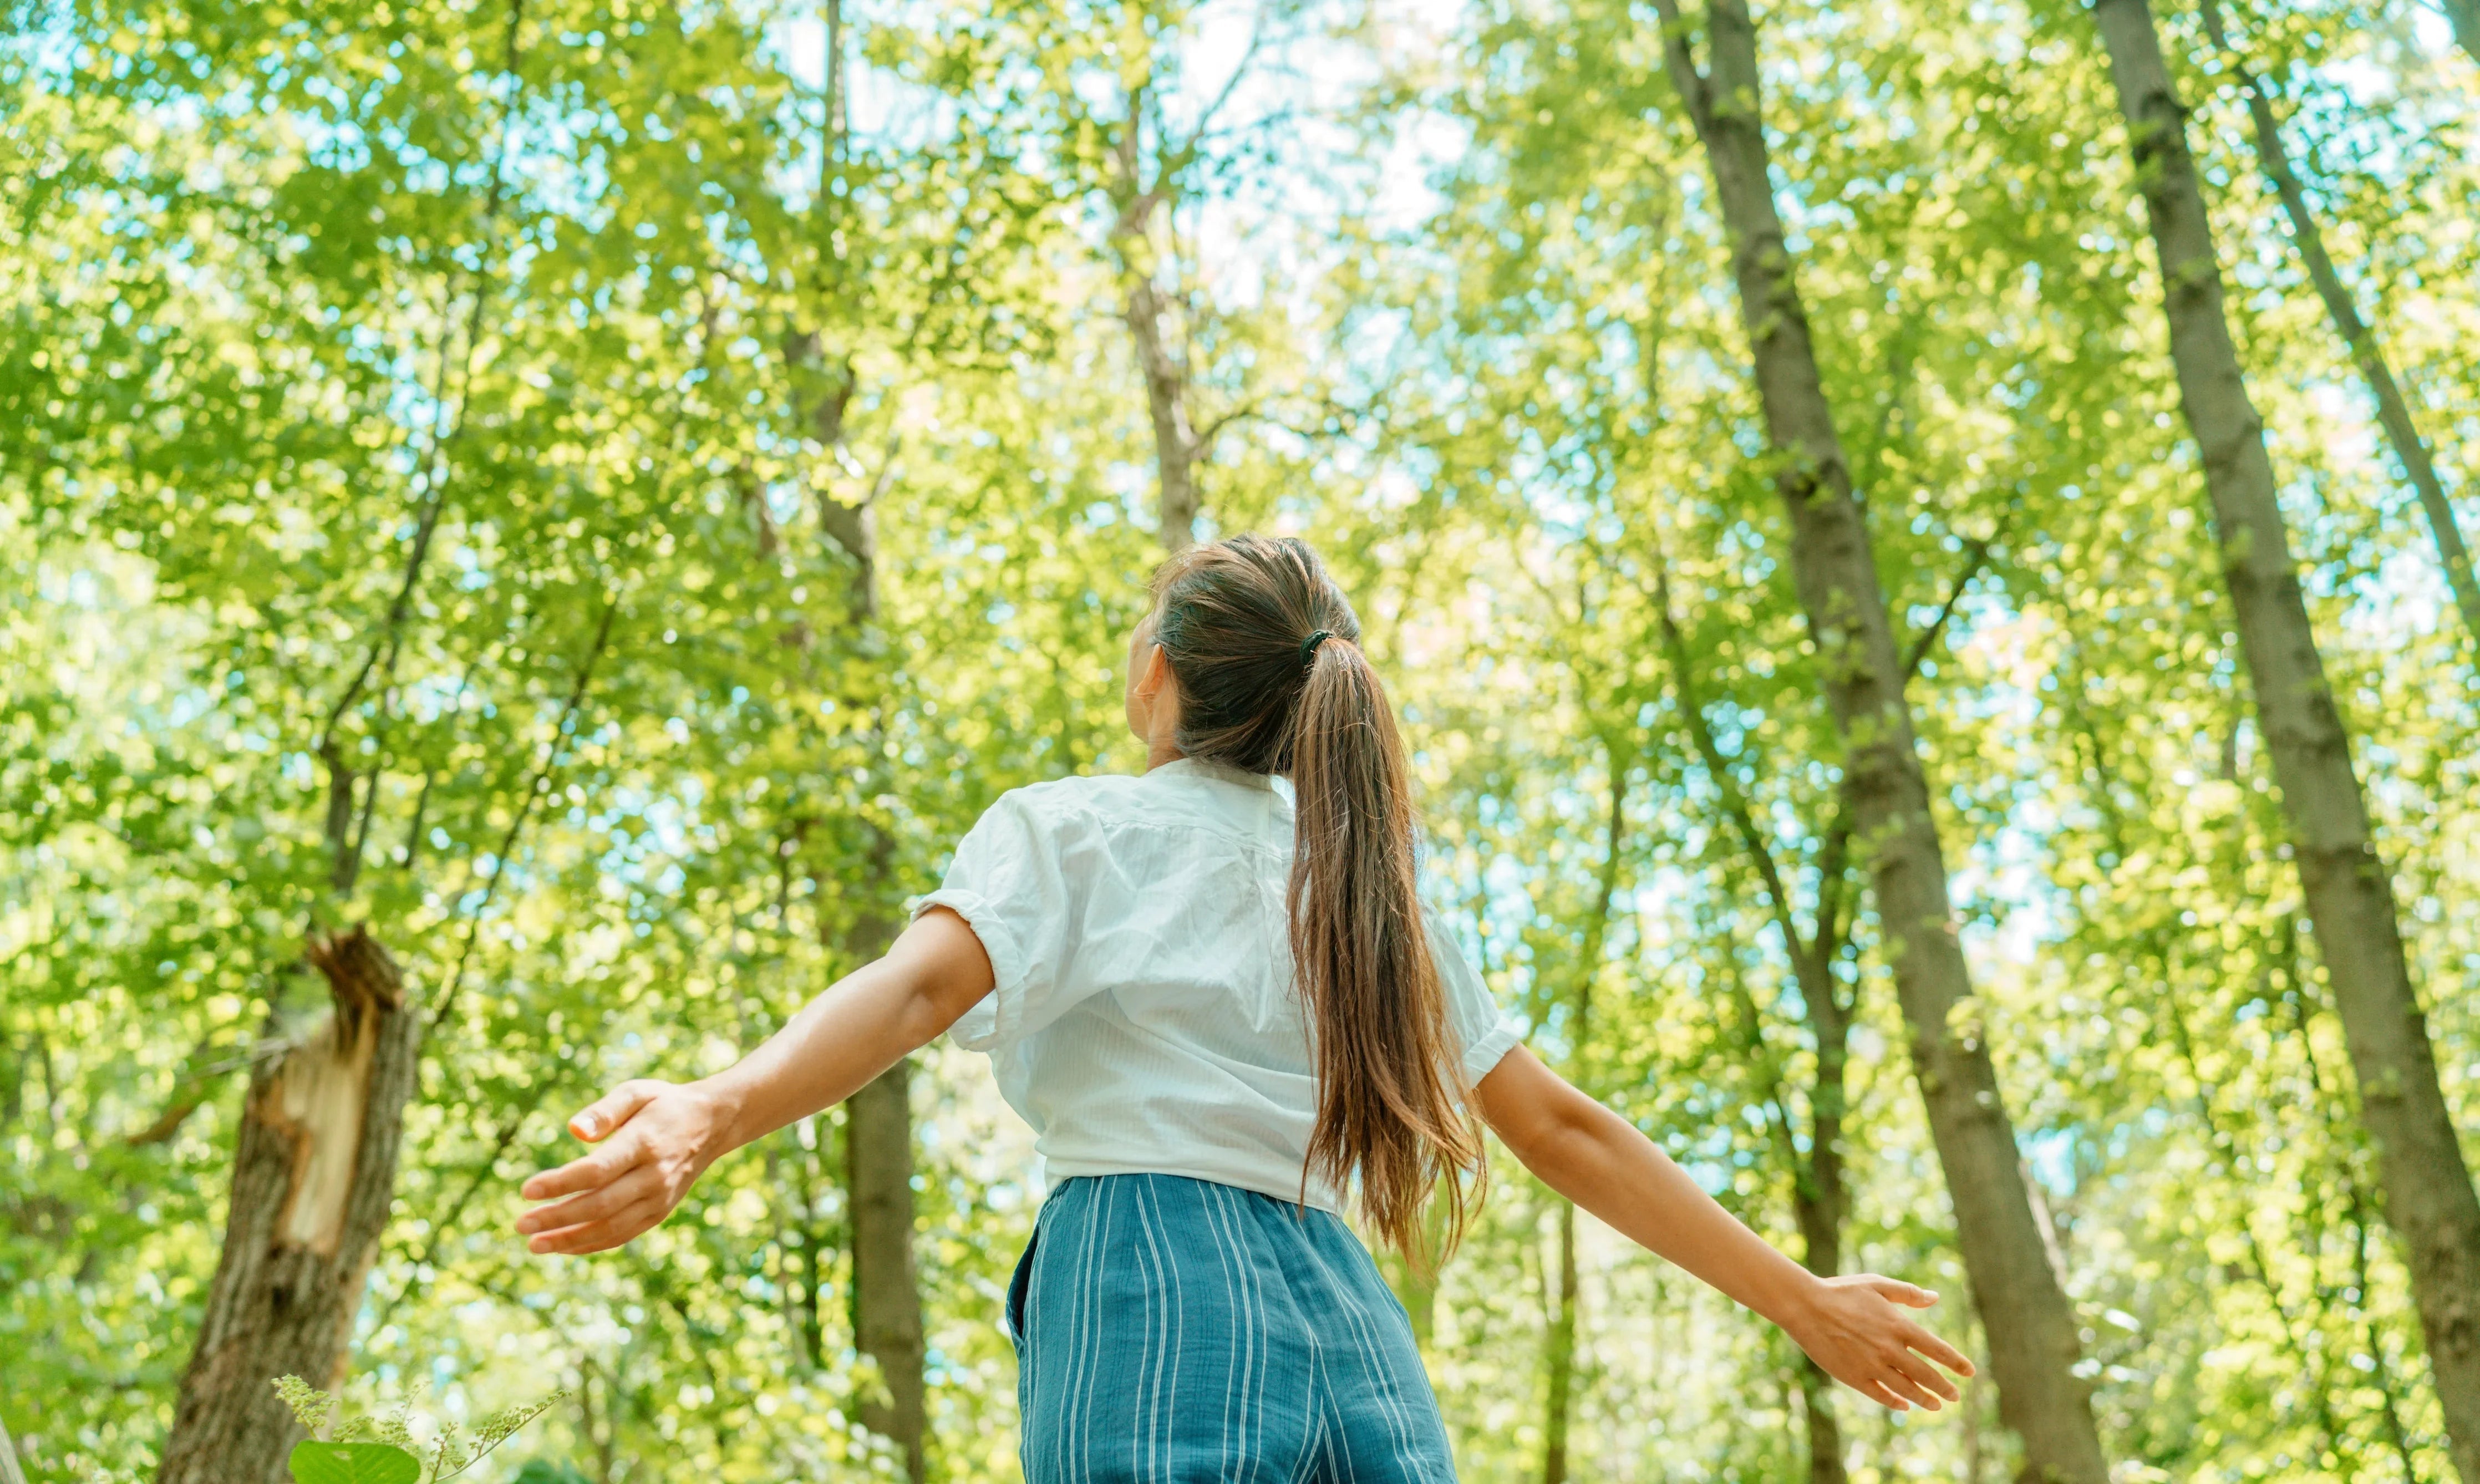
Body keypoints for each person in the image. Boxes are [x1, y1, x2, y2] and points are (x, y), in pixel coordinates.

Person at [516, 533, 1973, 1480]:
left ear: (1159, 677)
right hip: (1347, 1307)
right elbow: (1564, 1127)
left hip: (1148, 1269)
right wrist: (1801, 1296)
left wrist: (713, 1104)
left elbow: (911, 994)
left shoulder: (1083, 827)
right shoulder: (1373, 894)